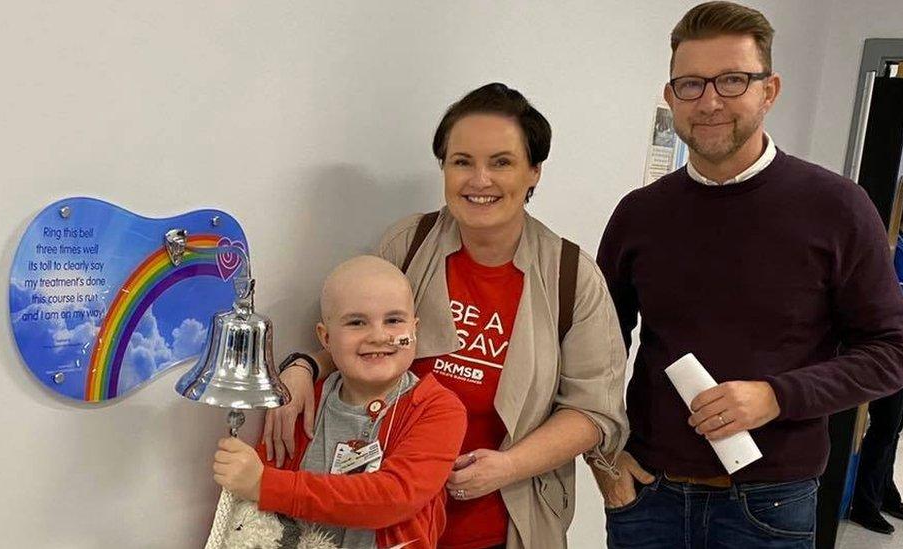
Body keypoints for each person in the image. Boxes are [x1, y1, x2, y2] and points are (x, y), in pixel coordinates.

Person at [595, 2, 903, 547]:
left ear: (769, 91)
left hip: (771, 503)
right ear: (671, 97)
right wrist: (605, 456)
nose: (710, 100)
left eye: (733, 80)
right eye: (691, 84)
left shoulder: (837, 207)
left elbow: (892, 352)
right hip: (648, 495)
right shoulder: (640, 213)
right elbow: (594, 346)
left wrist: (777, 395)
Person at [264, 83, 629, 549]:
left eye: (501, 162)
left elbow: (594, 411)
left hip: (500, 524)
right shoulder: (407, 244)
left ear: (534, 172)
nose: (480, 180)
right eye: (462, 162)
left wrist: (508, 466)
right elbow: (363, 339)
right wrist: (304, 367)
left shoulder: (572, 277)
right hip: (381, 523)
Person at [210, 256, 467, 549]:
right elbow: (263, 493)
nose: (379, 336)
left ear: (415, 329)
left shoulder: (438, 410)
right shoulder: (304, 401)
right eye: (357, 322)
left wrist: (265, 486)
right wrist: (247, 473)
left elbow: (393, 497)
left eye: (394, 320)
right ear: (326, 338)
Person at [850, 180, 903, 534]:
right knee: (883, 430)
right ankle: (863, 503)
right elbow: (900, 304)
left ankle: (885, 491)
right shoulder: (896, 251)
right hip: (894, 355)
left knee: (894, 430)